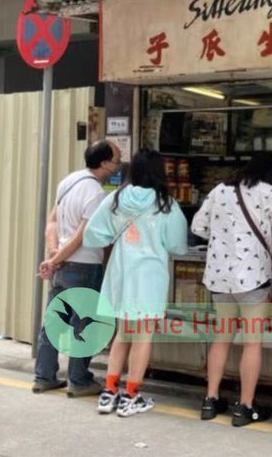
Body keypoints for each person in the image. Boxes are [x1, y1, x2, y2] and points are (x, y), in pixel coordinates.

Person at [83, 148, 188, 417]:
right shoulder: (166, 203)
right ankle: (131, 395)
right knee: (143, 337)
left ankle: (109, 392)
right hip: (150, 277)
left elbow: (94, 234)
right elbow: (178, 245)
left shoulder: (116, 198)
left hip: (121, 273)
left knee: (122, 334)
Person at [191, 154, 272, 426]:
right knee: (252, 343)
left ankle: (210, 400)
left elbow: (198, 226)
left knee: (221, 339)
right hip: (253, 278)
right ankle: (245, 406)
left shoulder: (219, 190)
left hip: (220, 277)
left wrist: (222, 239)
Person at [33, 140, 121, 396]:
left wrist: (54, 253)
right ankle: (79, 381)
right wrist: (55, 258)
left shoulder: (68, 181)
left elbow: (52, 222)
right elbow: (82, 236)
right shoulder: (96, 193)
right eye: (116, 161)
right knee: (85, 324)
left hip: (62, 266)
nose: (118, 166)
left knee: (54, 321)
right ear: (104, 164)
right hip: (84, 265)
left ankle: (44, 376)